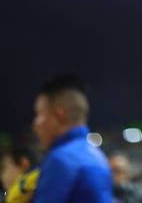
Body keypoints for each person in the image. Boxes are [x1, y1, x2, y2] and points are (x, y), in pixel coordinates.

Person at [31, 75, 112, 203]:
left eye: (39, 114)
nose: (35, 124)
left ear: (59, 115)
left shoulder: (60, 160)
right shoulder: (99, 157)